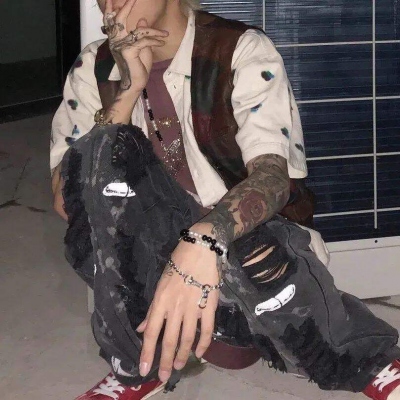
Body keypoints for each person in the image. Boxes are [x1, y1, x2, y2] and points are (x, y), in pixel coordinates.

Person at [50, 0, 400, 399]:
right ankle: (139, 365)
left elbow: (273, 177)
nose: (111, 4)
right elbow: (68, 200)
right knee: (104, 151)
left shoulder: (237, 50)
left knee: (259, 276)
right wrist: (127, 91)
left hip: (241, 254)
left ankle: (369, 362)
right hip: (155, 260)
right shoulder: (94, 67)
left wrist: (205, 239)